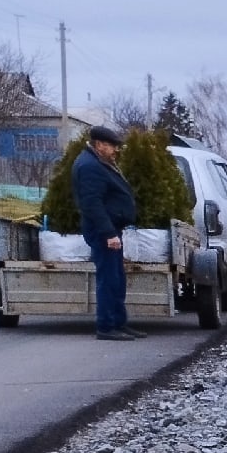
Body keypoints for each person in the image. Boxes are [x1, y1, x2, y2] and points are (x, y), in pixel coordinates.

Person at [72, 125, 139, 342]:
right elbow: (92, 203)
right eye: (112, 146)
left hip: (110, 229)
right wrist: (109, 233)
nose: (116, 150)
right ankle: (107, 326)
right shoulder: (90, 166)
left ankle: (119, 322)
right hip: (103, 231)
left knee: (116, 278)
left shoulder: (98, 162)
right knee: (108, 279)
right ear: (99, 145)